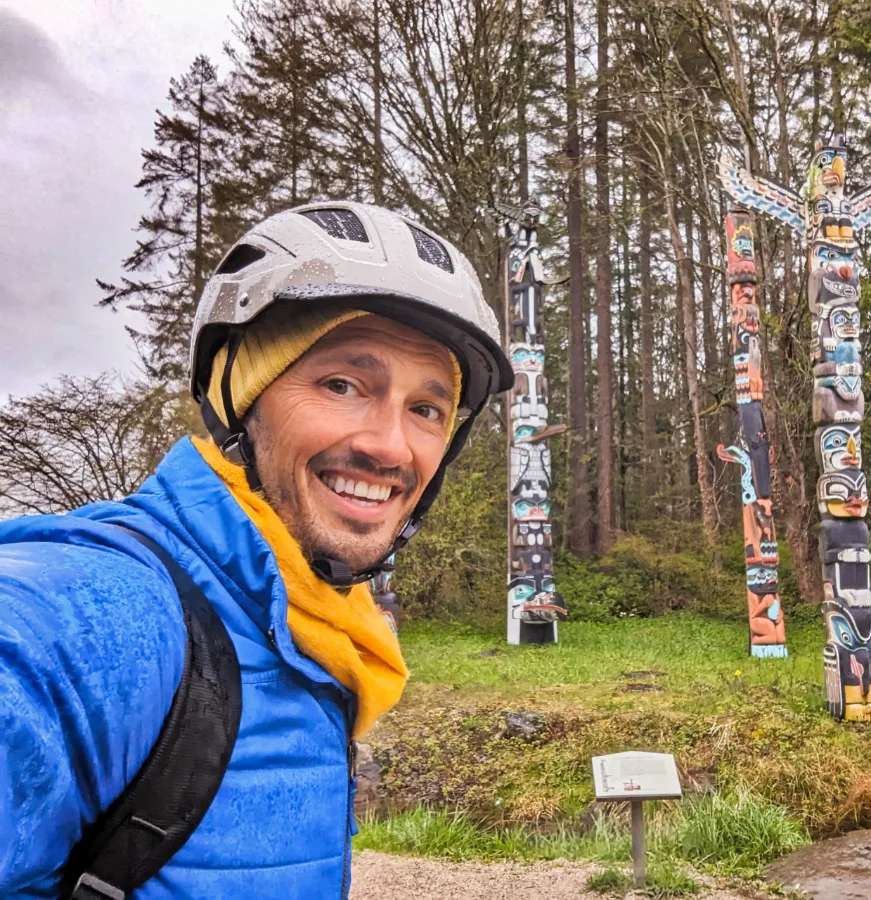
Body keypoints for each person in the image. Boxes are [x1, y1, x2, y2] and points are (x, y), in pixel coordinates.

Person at [0, 203, 512, 898]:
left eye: (427, 409)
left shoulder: (318, 637)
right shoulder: (103, 610)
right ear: (241, 401)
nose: (391, 446)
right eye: (342, 384)